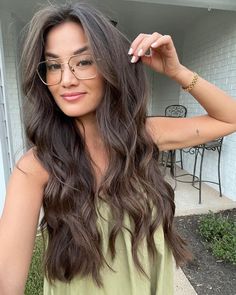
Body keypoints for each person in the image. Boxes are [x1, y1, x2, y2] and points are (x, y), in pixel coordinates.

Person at [0, 2, 236, 295]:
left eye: (83, 61)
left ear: (110, 65)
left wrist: (177, 72)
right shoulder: (36, 167)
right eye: (53, 65)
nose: (66, 79)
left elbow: (230, 118)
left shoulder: (144, 136)